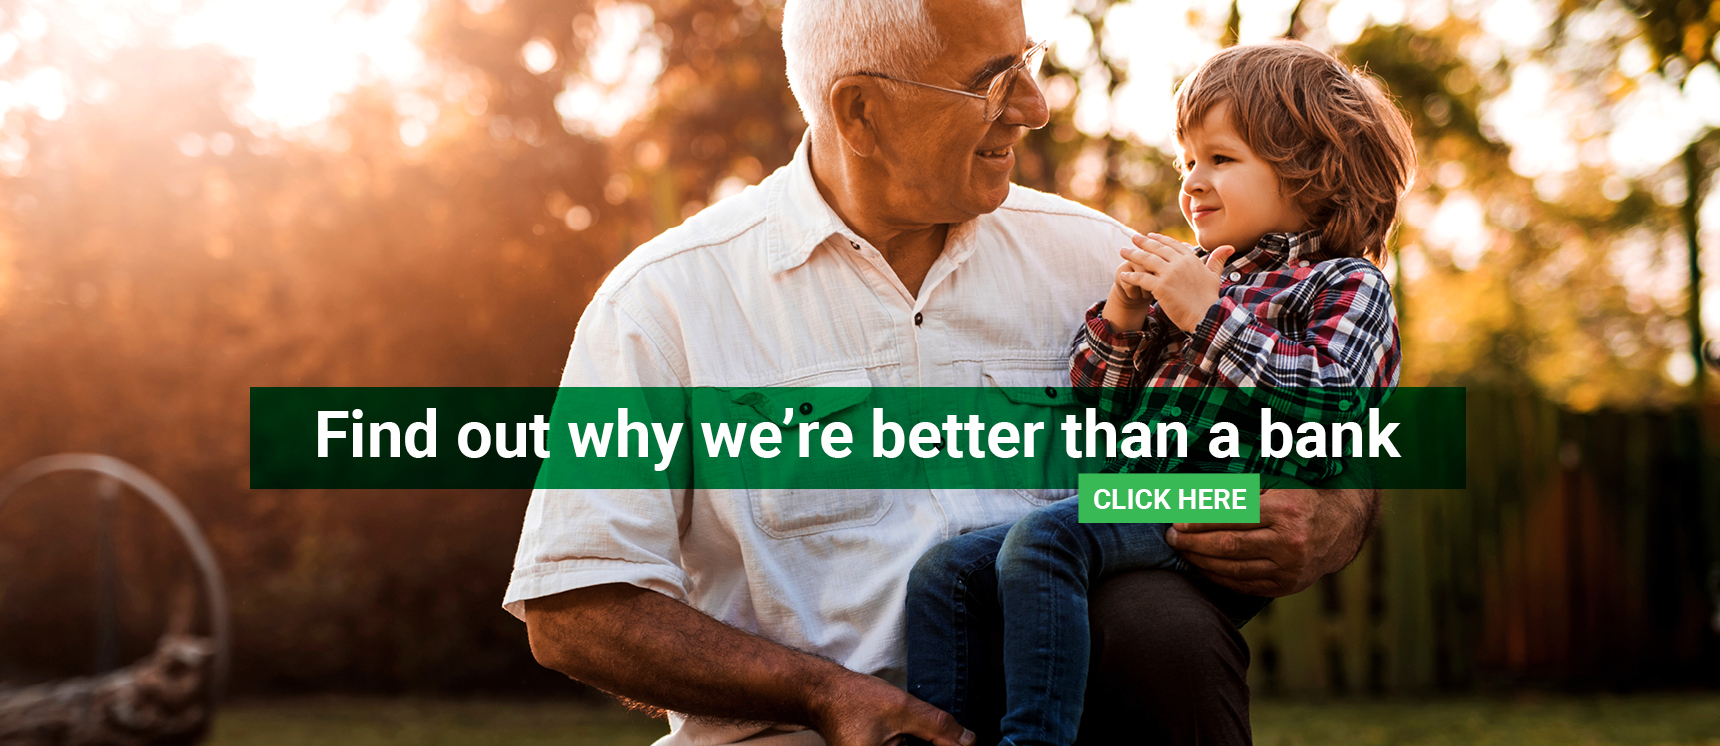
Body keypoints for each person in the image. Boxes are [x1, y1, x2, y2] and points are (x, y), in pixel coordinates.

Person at [505, 0, 1383, 742]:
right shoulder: (663, 303)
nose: (1035, 107)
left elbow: (1317, 418)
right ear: (860, 114)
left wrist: (1339, 513)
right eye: (993, 79)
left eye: (1029, 63)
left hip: (1068, 712)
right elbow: (576, 606)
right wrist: (824, 694)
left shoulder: (1095, 256)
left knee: (1162, 625)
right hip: (801, 733)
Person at [903, 39, 1416, 746]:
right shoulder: (1202, 273)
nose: (1194, 182)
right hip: (1135, 488)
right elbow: (1098, 412)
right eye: (1189, 162)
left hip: (1224, 496)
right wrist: (1123, 319)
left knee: (1043, 542)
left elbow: (1328, 411)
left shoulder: (1347, 285)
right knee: (945, 574)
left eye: (1221, 159)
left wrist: (1209, 314)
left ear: (1313, 174)